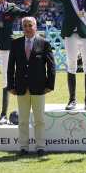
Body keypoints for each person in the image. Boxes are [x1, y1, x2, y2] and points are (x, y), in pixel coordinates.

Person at [7, 17, 55, 157]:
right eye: (25, 26)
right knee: (22, 120)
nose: (27, 28)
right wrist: (11, 85)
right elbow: (10, 67)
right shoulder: (16, 43)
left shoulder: (44, 43)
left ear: (35, 26)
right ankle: (23, 147)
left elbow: (51, 66)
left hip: (39, 87)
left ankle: (40, 146)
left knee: (39, 120)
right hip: (20, 87)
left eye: (30, 25)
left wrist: (50, 85)